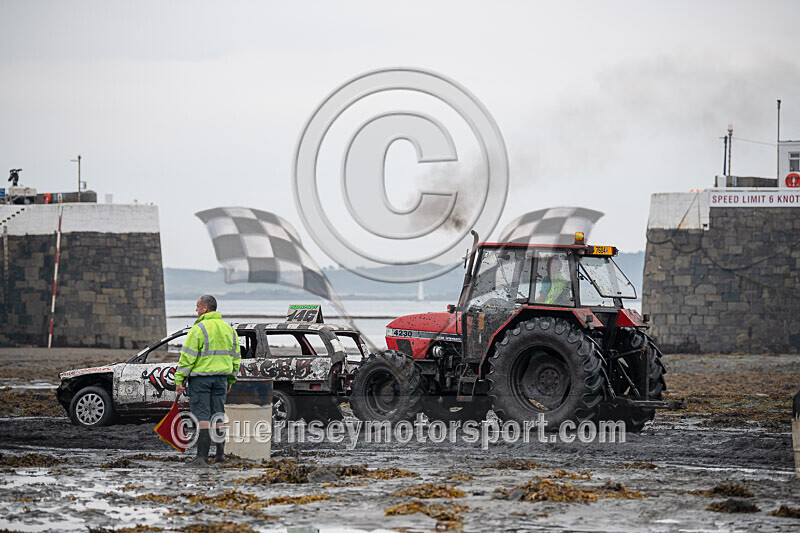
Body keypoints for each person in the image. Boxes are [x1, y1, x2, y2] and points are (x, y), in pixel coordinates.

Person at [174, 295, 241, 467]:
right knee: (218, 414)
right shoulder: (229, 329)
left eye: (197, 307)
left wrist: (179, 379)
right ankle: (220, 456)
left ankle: (202, 457)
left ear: (205, 309)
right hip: (221, 379)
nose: (195, 310)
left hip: (201, 380)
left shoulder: (198, 329)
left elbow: (187, 357)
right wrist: (231, 379)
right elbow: (235, 358)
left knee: (202, 417)